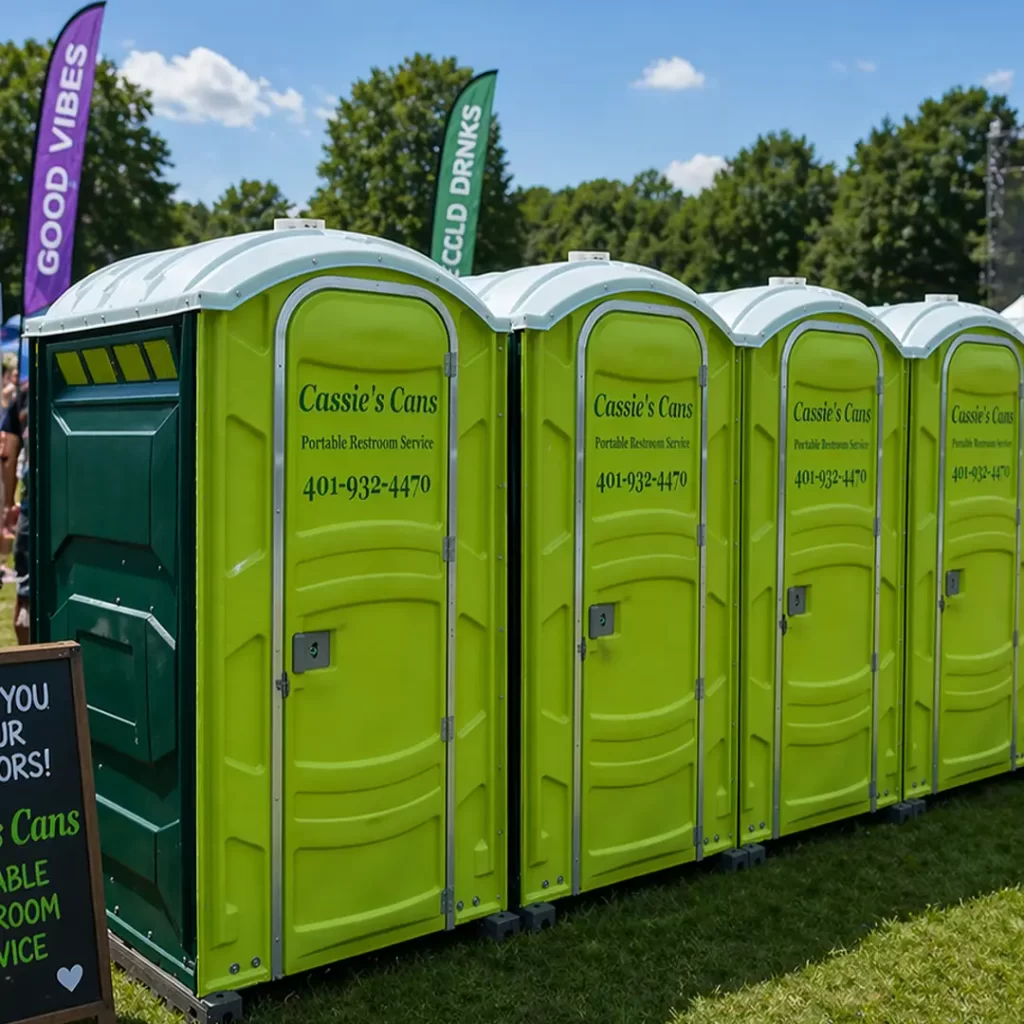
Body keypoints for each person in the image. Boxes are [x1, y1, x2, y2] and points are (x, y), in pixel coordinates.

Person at [1, 376, 30, 644]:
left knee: (26, 595)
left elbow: (7, 454)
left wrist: (9, 505)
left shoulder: (23, 391)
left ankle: (31, 665)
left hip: (32, 507)